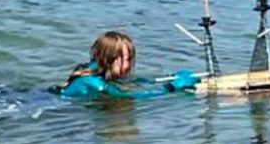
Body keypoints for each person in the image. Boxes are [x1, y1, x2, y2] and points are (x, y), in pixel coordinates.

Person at [59, 30, 200, 99]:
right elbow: (131, 97)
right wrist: (172, 87)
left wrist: (169, 78)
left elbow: (132, 84)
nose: (131, 63)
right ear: (109, 60)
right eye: (128, 59)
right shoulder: (93, 82)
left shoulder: (99, 69)